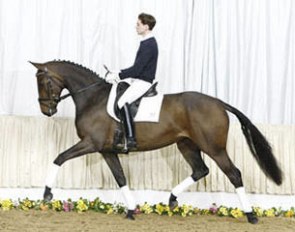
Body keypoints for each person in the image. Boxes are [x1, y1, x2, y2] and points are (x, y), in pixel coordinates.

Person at [106, 13, 158, 150]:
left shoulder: (149, 44)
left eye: (138, 24)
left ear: (146, 26)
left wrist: (118, 75)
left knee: (122, 101)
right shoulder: (146, 42)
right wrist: (118, 72)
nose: (136, 26)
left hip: (143, 82)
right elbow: (137, 68)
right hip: (138, 79)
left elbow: (137, 69)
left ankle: (130, 139)